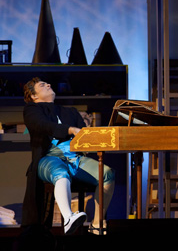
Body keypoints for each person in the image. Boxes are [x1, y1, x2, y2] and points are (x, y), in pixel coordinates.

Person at [21, 77, 115, 235]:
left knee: (107, 174)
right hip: (48, 158)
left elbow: (84, 134)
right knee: (60, 172)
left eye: (47, 83)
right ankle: (69, 218)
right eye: (42, 85)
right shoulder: (32, 110)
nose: (49, 84)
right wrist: (70, 130)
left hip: (75, 159)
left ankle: (97, 224)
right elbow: (42, 125)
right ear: (34, 96)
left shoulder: (70, 112)